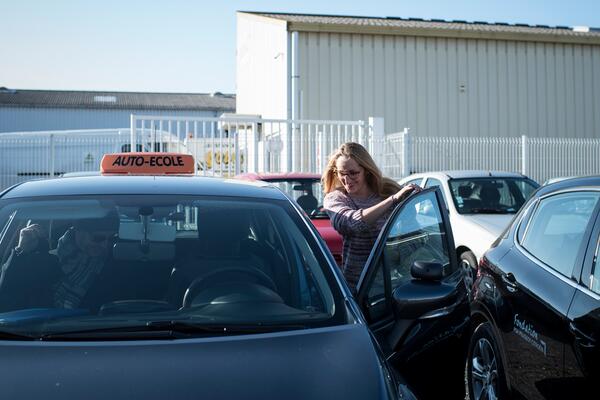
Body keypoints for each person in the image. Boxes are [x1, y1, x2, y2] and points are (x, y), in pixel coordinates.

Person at [322, 142, 420, 290]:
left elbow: (416, 235)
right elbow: (351, 224)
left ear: (366, 170)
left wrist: (395, 256)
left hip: (393, 285)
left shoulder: (389, 190)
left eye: (353, 173)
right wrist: (392, 201)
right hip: (357, 286)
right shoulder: (336, 199)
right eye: (342, 173)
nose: (347, 179)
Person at [0, 207, 120, 311]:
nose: (105, 245)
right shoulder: (39, 262)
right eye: (98, 238)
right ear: (78, 230)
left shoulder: (117, 264)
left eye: (112, 238)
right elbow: (7, 296)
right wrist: (21, 251)